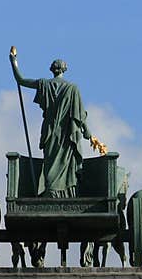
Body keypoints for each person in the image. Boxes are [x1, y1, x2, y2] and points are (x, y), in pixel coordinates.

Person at [9, 48, 106, 198]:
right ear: (64, 70)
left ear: (52, 70)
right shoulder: (72, 88)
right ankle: (66, 193)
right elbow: (80, 115)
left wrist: (13, 63)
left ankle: (52, 191)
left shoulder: (44, 84)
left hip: (50, 132)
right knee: (66, 165)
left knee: (50, 162)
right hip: (68, 133)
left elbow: (20, 80)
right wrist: (88, 133)